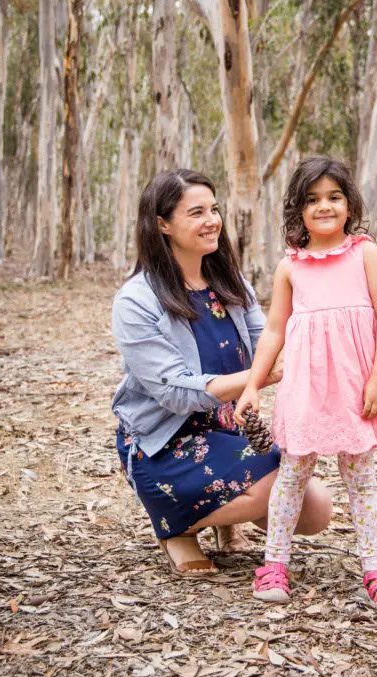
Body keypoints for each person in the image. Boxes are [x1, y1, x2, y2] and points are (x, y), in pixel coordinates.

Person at [111, 169, 332, 579]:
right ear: (161, 224)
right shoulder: (136, 301)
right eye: (196, 212)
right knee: (275, 490)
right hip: (164, 444)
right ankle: (177, 529)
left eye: (214, 209)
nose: (212, 220)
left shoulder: (230, 284)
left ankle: (222, 523)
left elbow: (269, 338)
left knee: (316, 509)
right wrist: (259, 377)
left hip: (228, 429)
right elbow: (177, 392)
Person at [234, 155, 377, 608]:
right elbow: (274, 330)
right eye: (312, 199)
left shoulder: (364, 253)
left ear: (349, 204)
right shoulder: (291, 267)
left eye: (334, 197)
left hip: (356, 386)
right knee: (292, 475)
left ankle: (376, 570)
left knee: (362, 479)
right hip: (305, 390)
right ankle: (274, 565)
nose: (324, 206)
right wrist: (252, 384)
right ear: (298, 209)